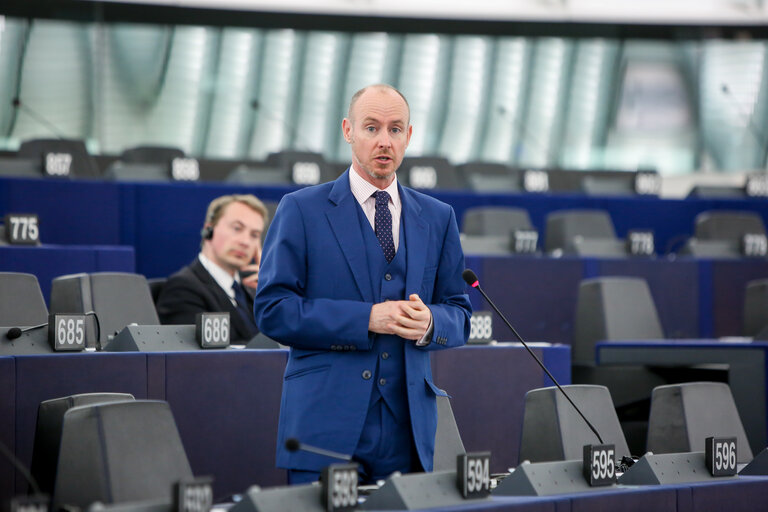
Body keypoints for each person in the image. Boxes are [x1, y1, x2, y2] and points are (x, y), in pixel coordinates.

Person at [253, 84, 471, 484]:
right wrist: (366, 318)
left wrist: (431, 324)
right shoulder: (301, 209)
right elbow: (272, 310)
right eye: (371, 128)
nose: (384, 141)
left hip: (411, 432)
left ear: (409, 135)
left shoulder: (438, 218)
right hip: (323, 430)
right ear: (348, 131)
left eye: (395, 128)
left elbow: (459, 311)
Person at [156, 194, 267, 343]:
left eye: (254, 235)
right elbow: (201, 357)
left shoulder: (253, 290)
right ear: (209, 230)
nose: (245, 242)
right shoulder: (183, 288)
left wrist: (270, 293)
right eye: (237, 228)